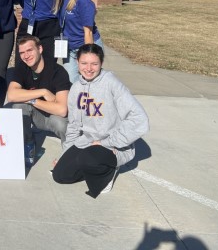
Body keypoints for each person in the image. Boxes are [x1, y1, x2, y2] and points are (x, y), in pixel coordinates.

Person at [52, 44, 149, 197]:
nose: (89, 68)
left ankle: (108, 171)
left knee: (88, 158)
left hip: (113, 145)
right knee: (60, 175)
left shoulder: (111, 83)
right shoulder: (76, 88)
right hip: (88, 143)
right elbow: (74, 126)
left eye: (94, 64)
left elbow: (139, 119)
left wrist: (108, 142)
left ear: (101, 63)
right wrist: (65, 155)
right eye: (84, 63)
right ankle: (92, 166)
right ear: (77, 62)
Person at [6, 35, 70, 167]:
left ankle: (69, 152)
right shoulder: (22, 68)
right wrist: (43, 92)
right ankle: (28, 143)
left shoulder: (58, 71)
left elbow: (62, 110)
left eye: (29, 50)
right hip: (37, 116)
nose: (26, 56)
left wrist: (30, 99)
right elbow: (11, 95)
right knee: (19, 107)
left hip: (55, 117)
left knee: (62, 125)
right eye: (22, 53)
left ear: (40, 49)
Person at [53, 0, 103, 83]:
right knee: (71, 82)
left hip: (85, 45)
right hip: (69, 48)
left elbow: (88, 33)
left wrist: (87, 59)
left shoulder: (83, 1)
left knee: (89, 81)